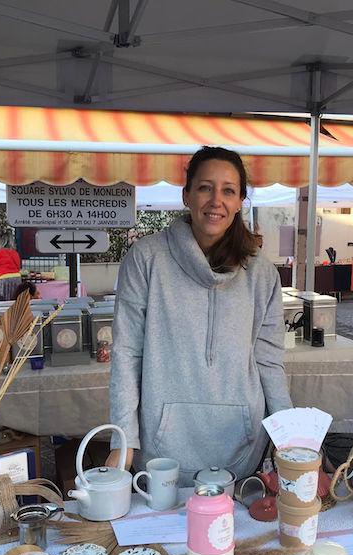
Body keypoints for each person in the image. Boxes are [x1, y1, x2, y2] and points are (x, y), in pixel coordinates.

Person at [105, 146, 292, 485]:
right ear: (186, 195)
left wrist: (289, 438)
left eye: (228, 191)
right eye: (205, 187)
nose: (216, 200)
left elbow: (269, 362)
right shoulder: (146, 259)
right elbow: (126, 353)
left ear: (240, 202)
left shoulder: (262, 274)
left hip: (242, 446)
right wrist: (124, 440)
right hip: (160, 453)